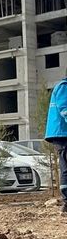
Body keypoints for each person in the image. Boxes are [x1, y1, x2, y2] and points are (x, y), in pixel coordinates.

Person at [45, 76, 67, 212]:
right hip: (62, 134)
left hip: (62, 133)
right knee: (66, 167)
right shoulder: (64, 86)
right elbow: (65, 110)